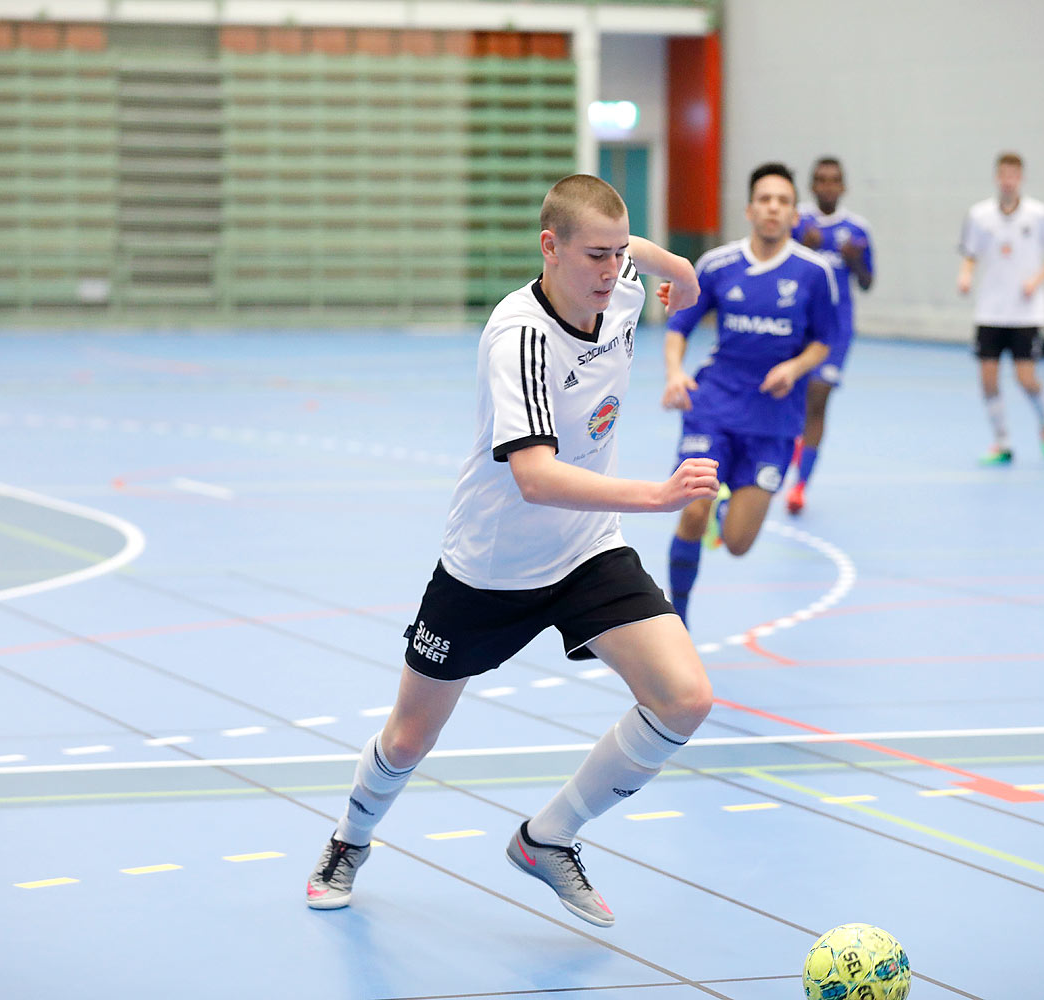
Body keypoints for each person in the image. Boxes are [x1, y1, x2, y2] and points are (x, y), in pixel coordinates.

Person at [304, 174, 718, 928]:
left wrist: (680, 274)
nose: (612, 270)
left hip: (586, 551)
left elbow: (646, 259)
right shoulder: (517, 335)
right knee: (408, 737)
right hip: (488, 569)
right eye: (596, 255)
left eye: (619, 254)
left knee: (685, 698)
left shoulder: (619, 284)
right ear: (549, 248)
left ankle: (547, 839)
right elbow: (534, 476)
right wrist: (655, 496)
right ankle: (348, 840)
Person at [661, 162, 837, 625]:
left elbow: (823, 342)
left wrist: (795, 367)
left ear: (794, 212)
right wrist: (676, 373)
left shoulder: (813, 273)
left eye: (782, 201)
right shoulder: (717, 265)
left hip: (773, 421)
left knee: (738, 543)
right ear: (749, 208)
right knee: (693, 511)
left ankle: (726, 513)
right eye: (765, 199)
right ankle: (677, 620)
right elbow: (679, 325)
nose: (773, 208)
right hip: (713, 407)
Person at [957, 151, 1044, 463]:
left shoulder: (1039, 215)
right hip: (990, 310)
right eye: (1003, 175)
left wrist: (1037, 280)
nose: (1008, 181)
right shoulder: (979, 216)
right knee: (987, 379)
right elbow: (970, 254)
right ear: (996, 177)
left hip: (1025, 313)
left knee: (1025, 378)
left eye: (1013, 175)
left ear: (1021, 179)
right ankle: (1002, 442)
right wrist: (965, 275)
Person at [785, 156, 874, 514]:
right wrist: (803, 247)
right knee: (791, 397)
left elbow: (868, 282)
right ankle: (792, 444)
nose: (827, 186)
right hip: (796, 328)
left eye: (834, 180)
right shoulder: (797, 223)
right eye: (821, 179)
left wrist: (854, 260)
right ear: (812, 185)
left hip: (835, 331)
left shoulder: (857, 230)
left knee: (819, 399)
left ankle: (800, 486)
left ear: (843, 186)